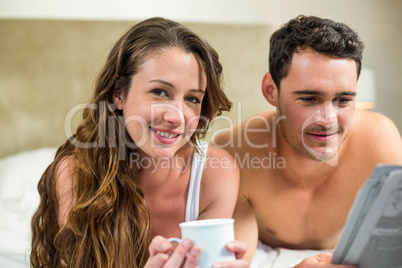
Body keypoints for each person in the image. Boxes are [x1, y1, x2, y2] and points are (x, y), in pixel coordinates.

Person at [30, 17, 248, 268]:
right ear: (119, 94)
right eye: (159, 92)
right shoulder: (77, 175)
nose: (176, 117)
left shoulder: (215, 173)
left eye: (192, 99)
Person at [214, 15, 402, 267]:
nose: (328, 120)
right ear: (271, 90)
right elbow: (231, 261)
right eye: (309, 99)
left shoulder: (380, 142)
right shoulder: (234, 151)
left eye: (343, 100)